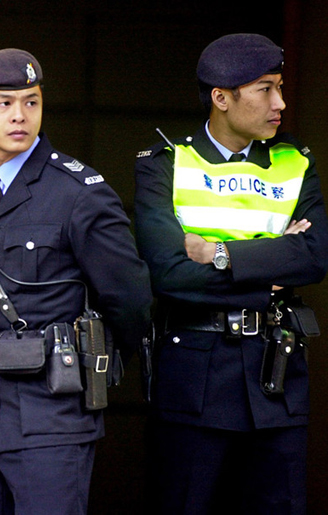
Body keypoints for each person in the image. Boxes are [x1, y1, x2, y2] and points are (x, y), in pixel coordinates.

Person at [0, 49, 152, 514]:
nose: (19, 116)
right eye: (4, 103)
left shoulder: (78, 192)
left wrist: (97, 360)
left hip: (49, 416)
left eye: (31, 102)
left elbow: (129, 297)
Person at [134, 33, 328, 514]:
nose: (279, 102)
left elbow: (315, 256)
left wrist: (220, 254)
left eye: (279, 86)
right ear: (221, 97)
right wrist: (272, 267)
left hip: (276, 378)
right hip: (194, 376)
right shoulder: (165, 165)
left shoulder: (295, 162)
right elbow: (169, 272)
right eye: (265, 89)